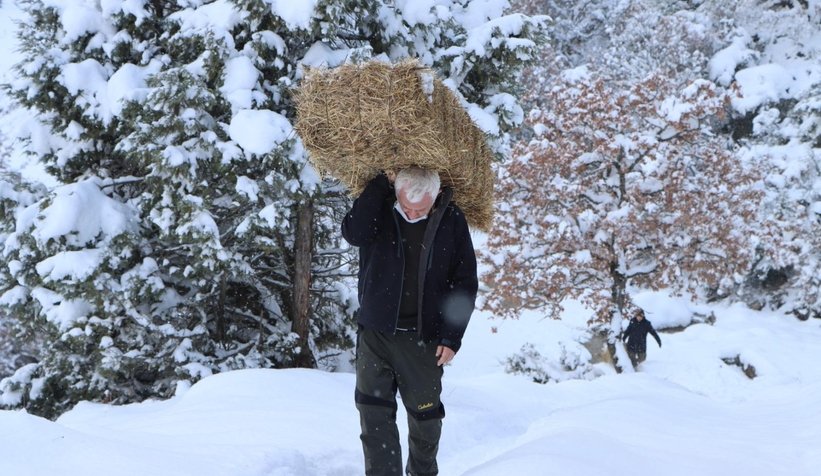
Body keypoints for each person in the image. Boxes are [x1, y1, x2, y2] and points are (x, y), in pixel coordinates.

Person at [342, 167, 478, 476]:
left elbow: (464, 282)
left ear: (436, 198)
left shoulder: (451, 220)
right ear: (397, 196)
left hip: (424, 339)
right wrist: (379, 185)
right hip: (376, 333)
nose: (413, 214)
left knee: (425, 420)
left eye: (421, 210)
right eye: (407, 207)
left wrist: (451, 336)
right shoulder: (379, 209)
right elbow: (354, 233)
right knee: (373, 413)